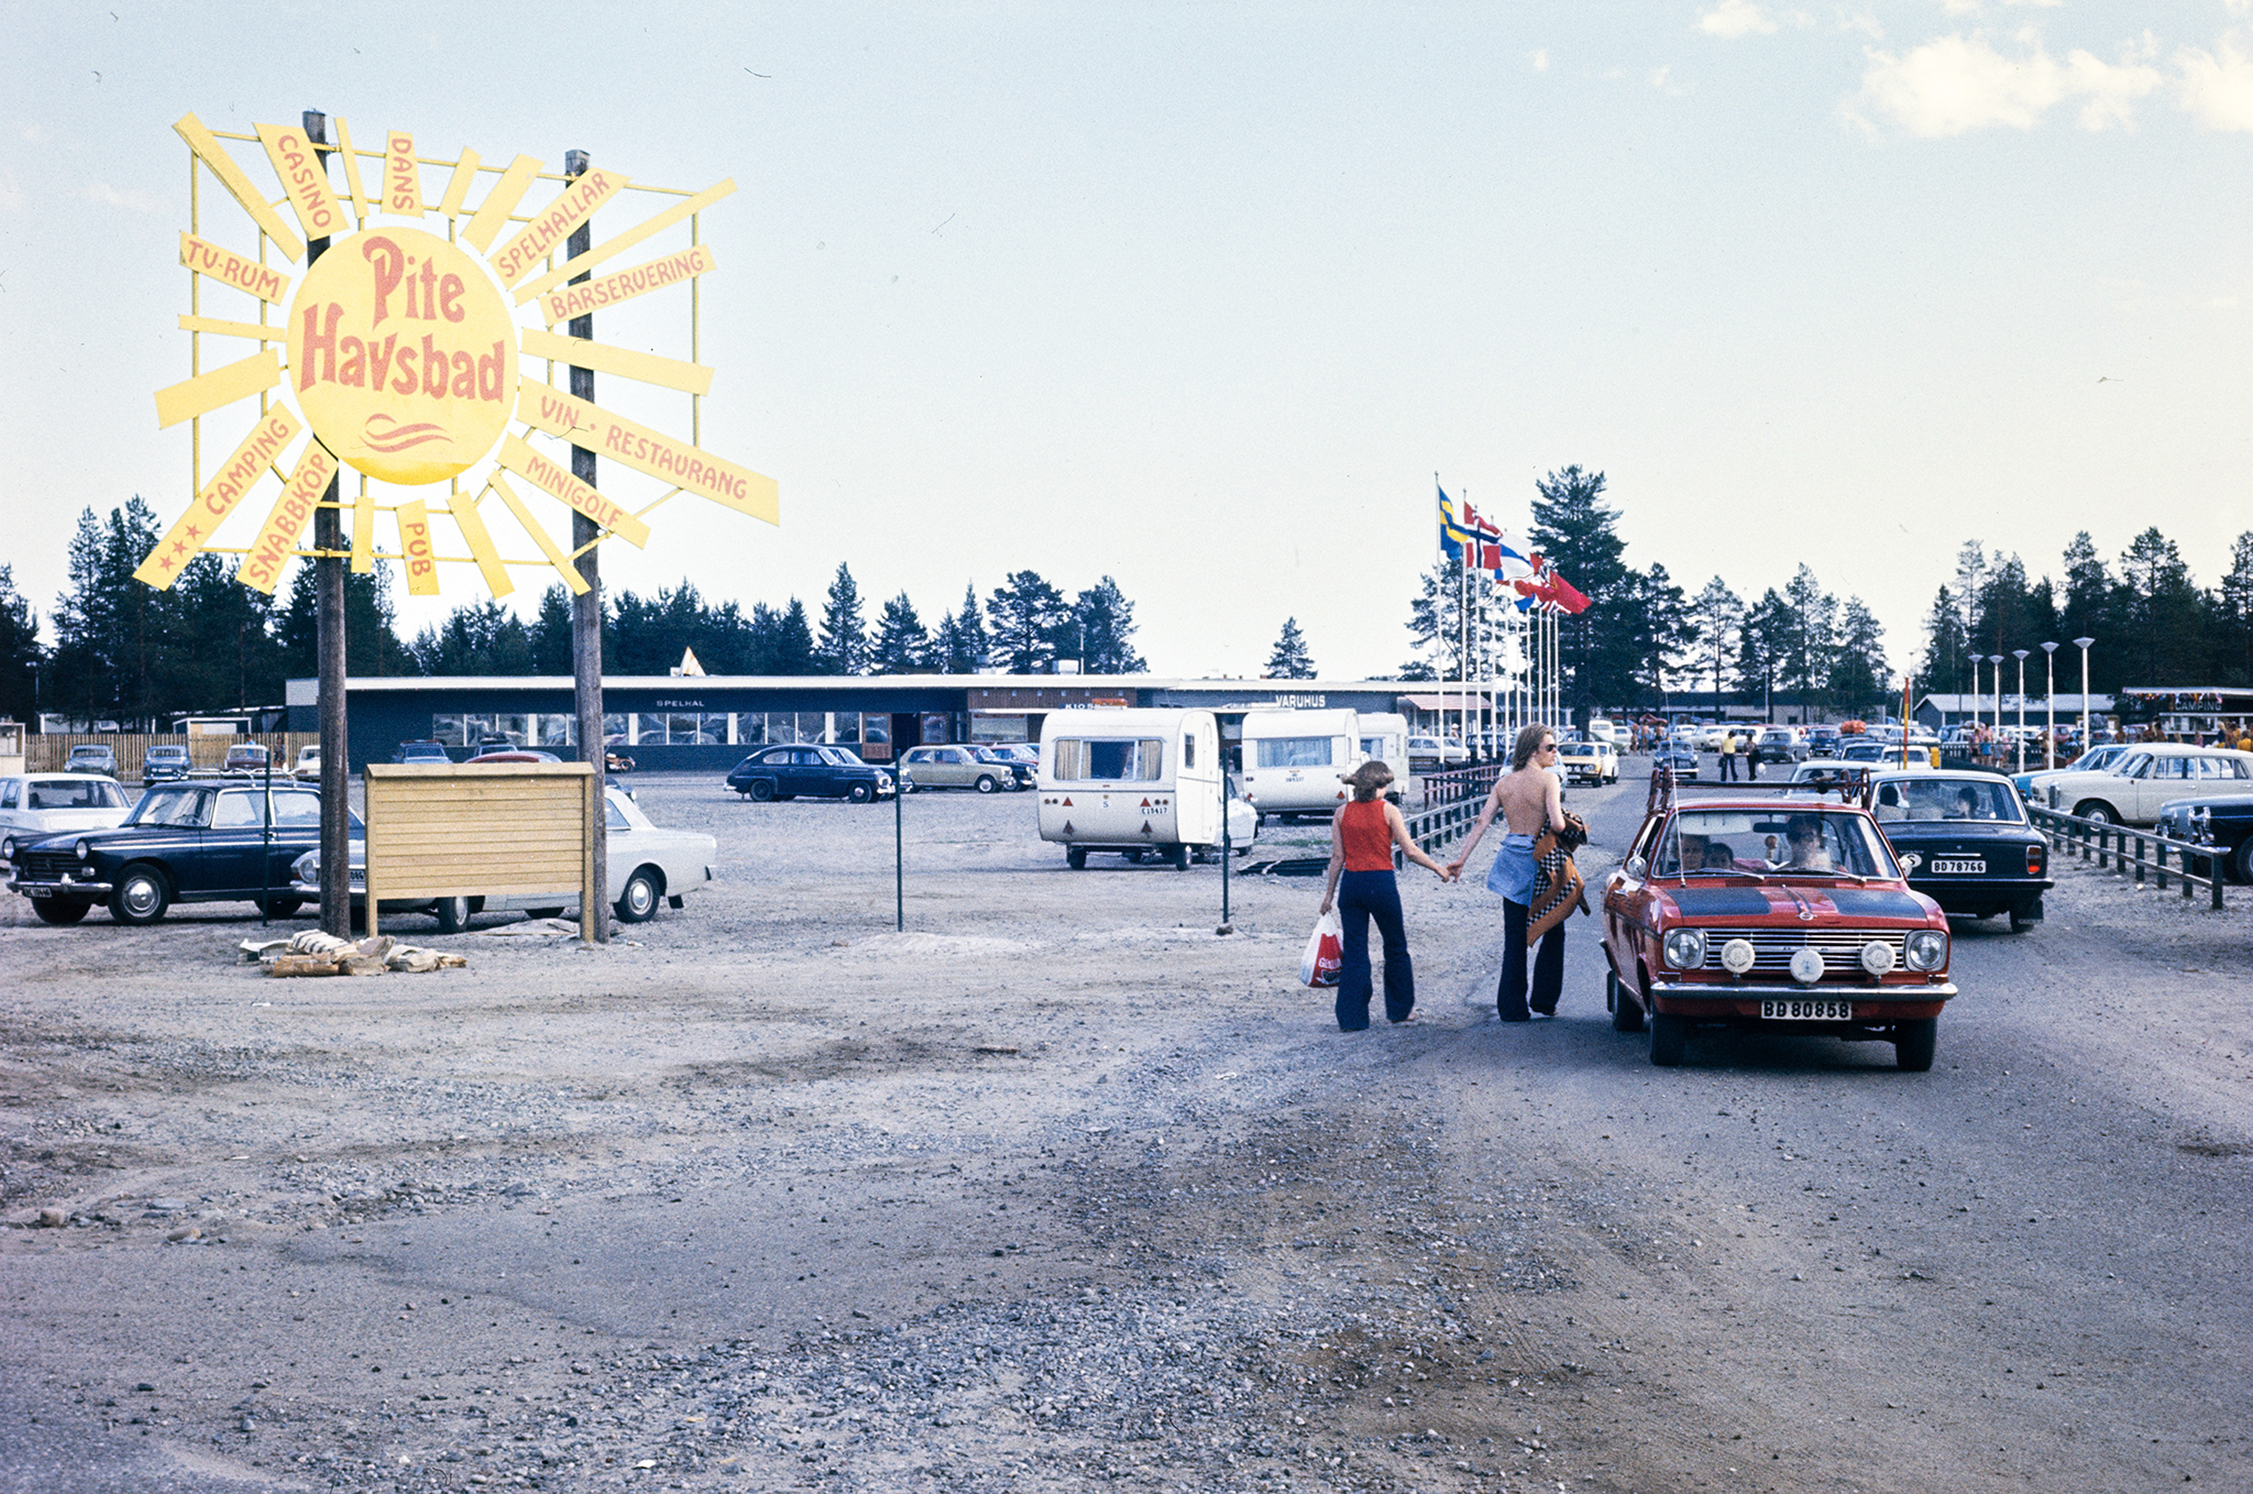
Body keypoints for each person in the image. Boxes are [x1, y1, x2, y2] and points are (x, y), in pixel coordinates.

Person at [1318, 760, 1453, 1031]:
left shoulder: (1341, 813)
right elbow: (1411, 851)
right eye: (1385, 784)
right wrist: (1439, 867)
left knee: (1355, 951)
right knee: (1395, 946)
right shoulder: (1389, 811)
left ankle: (1351, 1018)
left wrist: (1328, 896)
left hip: (1352, 884)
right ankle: (1400, 1010)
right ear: (1377, 787)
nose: (1388, 788)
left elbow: (1337, 857)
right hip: (1381, 882)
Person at [1448, 722, 1568, 1021]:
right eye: (1550, 748)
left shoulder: (1503, 784)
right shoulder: (1549, 781)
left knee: (1514, 936)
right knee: (1553, 929)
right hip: (1542, 864)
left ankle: (1511, 1007)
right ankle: (1544, 999)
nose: (1555, 753)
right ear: (1533, 750)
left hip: (1511, 861)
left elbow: (1482, 823)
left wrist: (1461, 860)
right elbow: (1557, 825)